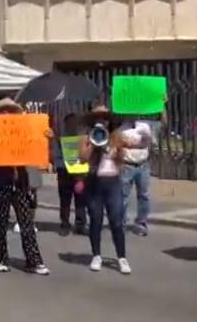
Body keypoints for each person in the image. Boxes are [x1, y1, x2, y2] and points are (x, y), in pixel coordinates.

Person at [0, 98, 50, 276]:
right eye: (3, 111)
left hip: (20, 182)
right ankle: (1, 258)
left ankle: (34, 261)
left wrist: (45, 136)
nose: (6, 114)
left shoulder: (24, 132)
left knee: (26, 222)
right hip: (0, 182)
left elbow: (35, 145)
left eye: (10, 111)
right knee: (0, 223)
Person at [79, 105, 131, 275]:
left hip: (113, 182)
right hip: (94, 182)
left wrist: (116, 149)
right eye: (98, 118)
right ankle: (96, 255)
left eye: (104, 118)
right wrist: (93, 145)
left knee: (116, 220)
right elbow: (82, 158)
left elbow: (122, 159)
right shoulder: (87, 136)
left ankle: (121, 257)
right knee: (96, 219)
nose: (101, 121)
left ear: (109, 121)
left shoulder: (116, 137)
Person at [119, 110, 165, 236]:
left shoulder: (145, 126)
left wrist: (162, 107)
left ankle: (141, 223)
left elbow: (163, 124)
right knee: (123, 196)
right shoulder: (122, 129)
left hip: (143, 165)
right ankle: (121, 223)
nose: (132, 114)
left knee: (144, 195)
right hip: (127, 165)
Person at [53, 113, 88, 235]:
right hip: (64, 171)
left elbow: (86, 156)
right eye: (70, 123)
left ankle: (80, 224)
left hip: (79, 172)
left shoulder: (83, 139)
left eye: (75, 123)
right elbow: (56, 156)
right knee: (65, 199)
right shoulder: (60, 139)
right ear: (66, 124)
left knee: (81, 199)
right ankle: (65, 224)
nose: (73, 125)